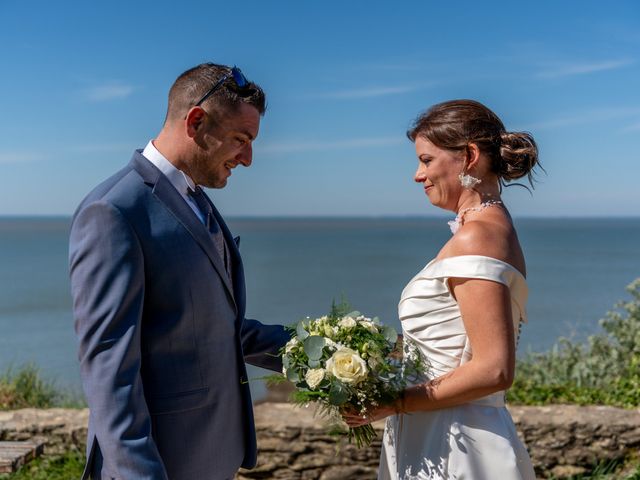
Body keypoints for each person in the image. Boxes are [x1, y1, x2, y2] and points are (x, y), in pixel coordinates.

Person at [69, 62, 290, 480]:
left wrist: (320, 351)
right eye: (241, 139)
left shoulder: (196, 199)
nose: (248, 158)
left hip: (211, 456)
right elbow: (109, 368)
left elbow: (216, 327)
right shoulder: (114, 211)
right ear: (196, 121)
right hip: (163, 465)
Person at [344, 99, 539, 479]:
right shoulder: (489, 229)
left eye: (427, 160)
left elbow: (494, 369)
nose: (418, 175)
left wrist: (394, 402)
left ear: (469, 156)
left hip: (456, 442)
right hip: (441, 429)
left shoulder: (477, 237)